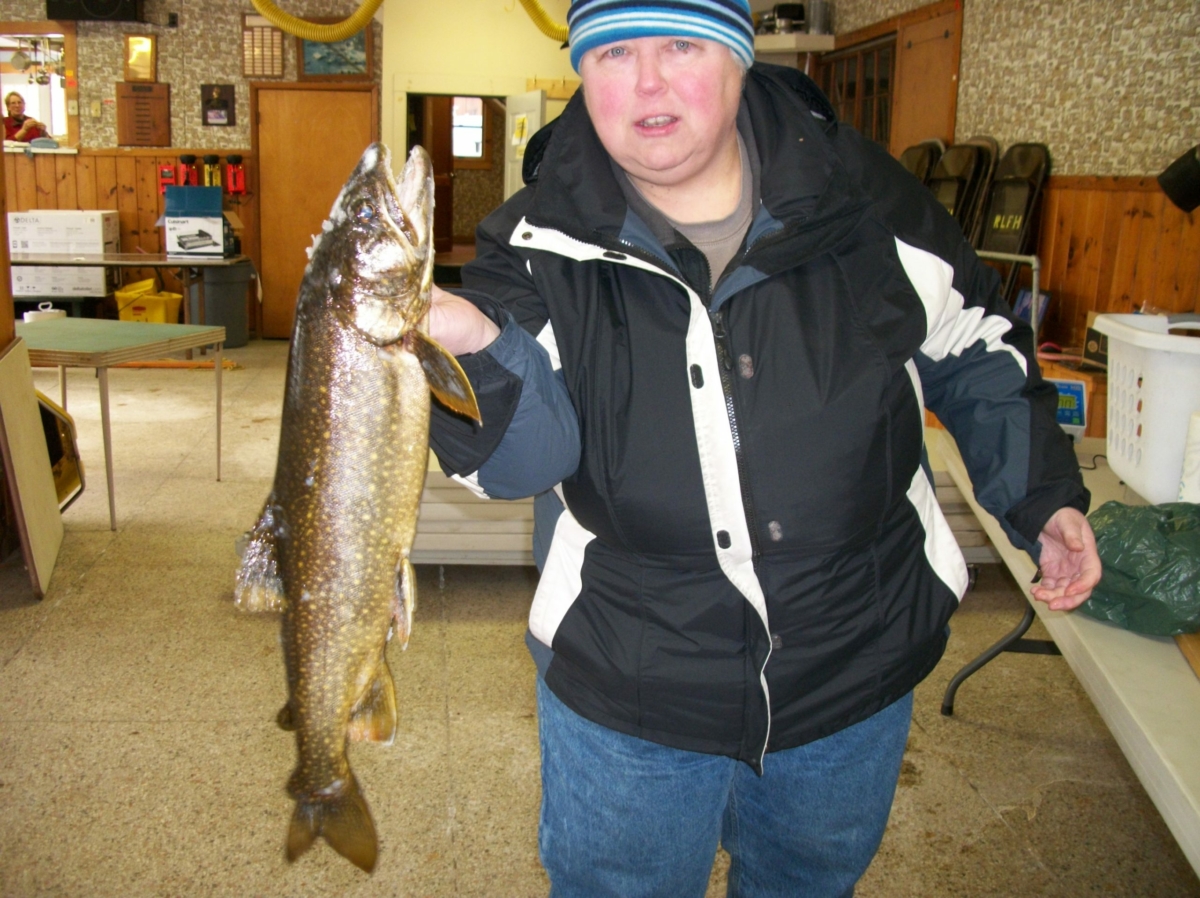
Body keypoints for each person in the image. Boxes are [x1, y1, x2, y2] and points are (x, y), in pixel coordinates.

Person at [424, 1, 1102, 894]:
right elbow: (521, 464)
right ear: (583, 73)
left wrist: (1042, 496)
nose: (650, 81)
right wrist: (480, 346)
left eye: (682, 44)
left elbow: (974, 346)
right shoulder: (530, 243)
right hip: (631, 681)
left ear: (741, 59)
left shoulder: (863, 199)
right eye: (617, 50)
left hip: (850, 667)